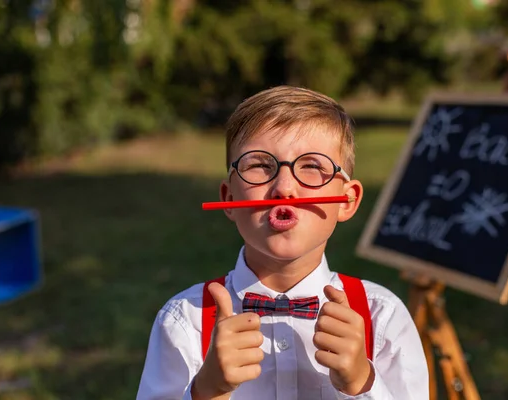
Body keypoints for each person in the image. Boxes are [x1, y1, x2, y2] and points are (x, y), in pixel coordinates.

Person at [137, 86, 429, 400]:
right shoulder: (185, 321)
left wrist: (362, 381)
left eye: (312, 166)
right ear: (230, 199)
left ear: (346, 200)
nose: (284, 188)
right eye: (259, 165)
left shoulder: (382, 318)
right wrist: (207, 390)